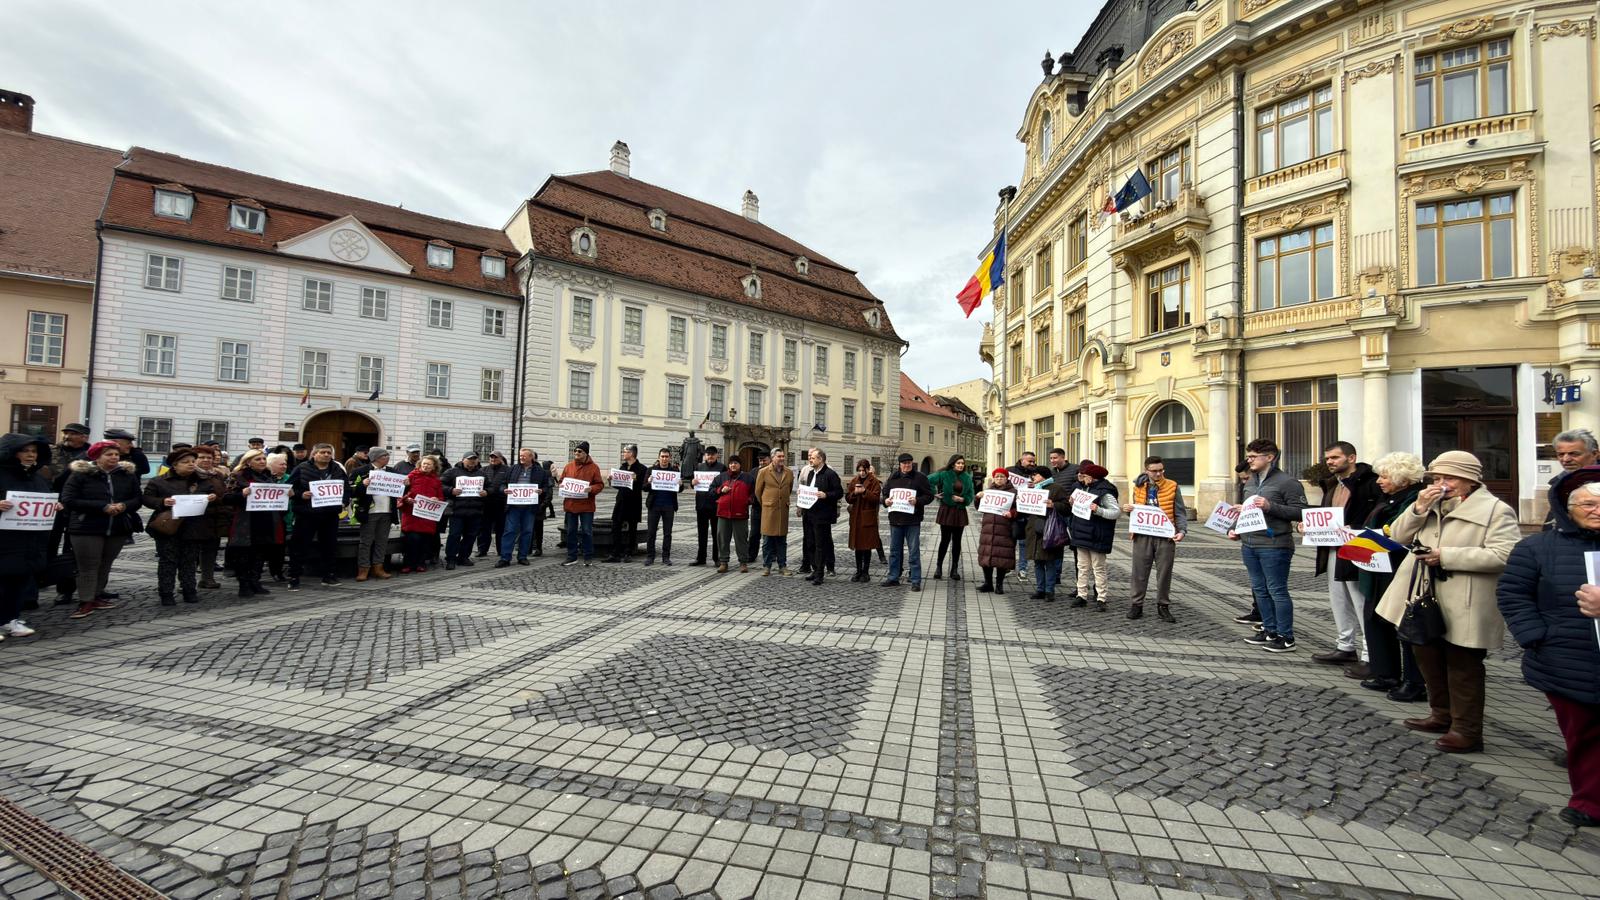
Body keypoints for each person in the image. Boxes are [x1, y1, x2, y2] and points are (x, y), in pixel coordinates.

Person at [1375, 451, 1515, 753]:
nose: (1441, 484)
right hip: (1424, 595)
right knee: (1427, 656)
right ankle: (1440, 714)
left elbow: (1505, 555)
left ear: (1470, 480)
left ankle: (1466, 730)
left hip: (1465, 598)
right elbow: (1396, 536)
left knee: (1463, 666)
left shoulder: (1495, 510)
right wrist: (1418, 508)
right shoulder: (1429, 503)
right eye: (1437, 478)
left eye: (1449, 478)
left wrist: (1447, 556)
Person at [1498, 466, 1600, 826]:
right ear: (1568, 509)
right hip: (1566, 659)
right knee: (1583, 734)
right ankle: (1589, 801)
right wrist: (1537, 637)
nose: (1597, 511)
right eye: (1588, 504)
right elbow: (1513, 595)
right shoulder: (1537, 547)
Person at [1357, 452, 1427, 699]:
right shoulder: (1390, 498)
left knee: (1405, 625)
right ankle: (1385, 673)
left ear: (1403, 479)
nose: (1379, 481)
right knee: (1376, 619)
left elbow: (1401, 533)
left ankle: (1413, 681)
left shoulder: (1414, 500)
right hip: (1379, 568)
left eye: (1384, 476)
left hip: (1401, 569)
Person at [1311, 442, 1385, 672]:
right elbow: (1327, 516)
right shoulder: (1333, 484)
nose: (1329, 462)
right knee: (1339, 599)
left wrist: (1355, 529)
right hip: (1333, 548)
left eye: (1335, 457)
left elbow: (1378, 515)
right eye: (1327, 458)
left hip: (1359, 547)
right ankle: (1345, 646)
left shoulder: (1370, 483)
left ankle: (1371, 655)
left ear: (1351, 458)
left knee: (1360, 600)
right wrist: (1310, 527)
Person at [1234, 439, 1308, 653]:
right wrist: (1234, 527)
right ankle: (1269, 630)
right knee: (1260, 590)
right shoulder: (1251, 481)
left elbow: (1301, 511)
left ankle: (1286, 637)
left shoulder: (1288, 482)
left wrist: (1270, 506)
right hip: (1249, 544)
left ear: (1270, 457)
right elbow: (1247, 510)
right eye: (1248, 456)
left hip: (1275, 545)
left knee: (1277, 590)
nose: (1249, 460)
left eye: (1253, 456)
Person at [60, 440, 142, 619]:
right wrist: (102, 507)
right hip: (86, 527)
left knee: (106, 563)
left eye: (116, 454)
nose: (114, 457)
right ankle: (85, 600)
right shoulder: (81, 474)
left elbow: (137, 499)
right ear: (97, 456)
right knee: (88, 565)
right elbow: (68, 499)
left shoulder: (127, 474)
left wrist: (124, 506)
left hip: (117, 526)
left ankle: (97, 595)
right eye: (108, 454)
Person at [142, 447, 221, 606]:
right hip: (169, 528)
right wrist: (162, 502)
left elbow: (215, 499)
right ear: (175, 465)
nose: (191, 464)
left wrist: (213, 498)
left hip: (194, 527)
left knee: (189, 561)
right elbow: (146, 499)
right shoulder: (159, 481)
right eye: (185, 462)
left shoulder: (202, 481)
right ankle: (166, 593)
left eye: (192, 461)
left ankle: (189, 590)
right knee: (168, 561)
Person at [0, 433, 56, 638]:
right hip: (4, 541)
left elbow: (43, 501)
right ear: (11, 452)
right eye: (24, 451)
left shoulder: (37, 477)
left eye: (34, 451)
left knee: (19, 582)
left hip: (29, 541)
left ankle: (9, 619)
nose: (31, 455)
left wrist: (53, 506)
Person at [1122, 456, 1187, 622]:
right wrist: (1129, 510)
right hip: (1142, 535)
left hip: (1165, 535)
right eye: (1154, 471)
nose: (1158, 474)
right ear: (1146, 471)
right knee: (1139, 572)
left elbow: (1180, 511)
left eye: (1161, 470)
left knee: (1164, 572)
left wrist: (1182, 531)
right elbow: (1136, 511)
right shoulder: (1138, 486)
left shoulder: (1172, 486)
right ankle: (1137, 605)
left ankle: (1163, 606)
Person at [225, 449, 284, 597]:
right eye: (258, 459)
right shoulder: (238, 476)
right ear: (248, 462)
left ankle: (255, 581)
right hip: (246, 521)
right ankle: (244, 584)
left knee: (260, 553)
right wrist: (242, 494)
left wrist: (286, 494)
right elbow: (226, 497)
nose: (262, 461)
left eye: (264, 459)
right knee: (245, 554)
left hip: (266, 520)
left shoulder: (269, 476)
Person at [287, 443, 346, 589]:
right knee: (300, 545)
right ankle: (294, 576)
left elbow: (346, 488)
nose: (326, 455)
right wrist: (301, 495)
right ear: (314, 454)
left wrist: (344, 502)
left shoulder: (337, 469)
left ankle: (329, 575)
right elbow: (289, 488)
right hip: (307, 514)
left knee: (329, 546)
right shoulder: (302, 468)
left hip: (330, 514)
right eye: (323, 452)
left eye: (329, 453)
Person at [1067, 461, 1119, 608]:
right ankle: (1081, 595)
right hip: (1081, 533)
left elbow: (1115, 512)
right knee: (1082, 567)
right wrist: (1072, 503)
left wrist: (1098, 510)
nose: (1081, 478)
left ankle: (1101, 598)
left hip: (1097, 535)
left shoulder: (1105, 492)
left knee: (1098, 568)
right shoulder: (1083, 488)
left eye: (1084, 476)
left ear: (1092, 477)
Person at [882, 453, 935, 591]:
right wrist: (885, 501)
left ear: (912, 463)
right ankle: (893, 577)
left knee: (913, 552)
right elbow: (885, 493)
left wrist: (917, 501)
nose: (907, 465)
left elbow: (929, 496)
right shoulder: (893, 477)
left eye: (909, 463)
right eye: (904, 463)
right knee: (894, 551)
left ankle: (915, 580)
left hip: (912, 520)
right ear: (900, 465)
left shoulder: (920, 477)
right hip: (895, 520)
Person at [1023, 468, 1070, 602]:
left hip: (1050, 530)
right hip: (1034, 529)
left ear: (1043, 476)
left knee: (1050, 562)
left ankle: (1049, 591)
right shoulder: (1032, 489)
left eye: (1035, 474)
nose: (1033, 477)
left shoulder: (1056, 488)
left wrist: (1053, 505)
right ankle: (1040, 589)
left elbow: (1067, 507)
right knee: (1037, 562)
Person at [349, 448, 396, 581]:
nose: (387, 458)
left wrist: (406, 485)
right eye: (384, 456)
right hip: (369, 512)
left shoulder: (392, 471)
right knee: (366, 541)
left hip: (387, 511)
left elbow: (400, 489)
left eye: (387, 455)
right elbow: (350, 490)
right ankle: (363, 568)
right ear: (376, 458)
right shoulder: (360, 471)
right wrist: (362, 485)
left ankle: (378, 567)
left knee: (382, 541)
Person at [498, 449, 549, 566]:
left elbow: (546, 487)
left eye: (524, 456)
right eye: (520, 456)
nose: (521, 458)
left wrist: (541, 491)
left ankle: (522, 556)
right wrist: (504, 490)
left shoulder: (540, 471)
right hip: (513, 506)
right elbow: (503, 484)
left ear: (531, 457)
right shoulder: (513, 469)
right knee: (509, 531)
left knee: (527, 532)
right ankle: (505, 558)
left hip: (529, 507)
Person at [800, 448, 843, 586]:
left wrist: (826, 495)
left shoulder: (830, 474)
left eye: (813, 458)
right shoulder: (811, 473)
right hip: (809, 513)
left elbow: (839, 492)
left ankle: (820, 573)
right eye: (810, 458)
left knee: (820, 545)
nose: (810, 460)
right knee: (810, 543)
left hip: (822, 515)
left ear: (821, 459)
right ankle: (815, 569)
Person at [928, 454, 974, 581]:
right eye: (958, 463)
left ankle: (954, 569)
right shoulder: (944, 474)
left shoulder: (967, 477)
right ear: (953, 464)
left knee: (957, 542)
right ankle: (939, 567)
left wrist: (963, 499)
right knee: (945, 540)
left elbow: (971, 494)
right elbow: (928, 480)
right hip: (947, 510)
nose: (961, 465)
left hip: (960, 511)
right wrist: (934, 494)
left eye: (962, 463)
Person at [559, 441, 605, 567]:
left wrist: (591, 489)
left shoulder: (594, 467)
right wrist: (561, 485)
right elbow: (562, 481)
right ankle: (571, 556)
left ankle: (588, 556)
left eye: (579, 451)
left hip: (586, 506)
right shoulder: (568, 466)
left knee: (587, 532)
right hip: (571, 505)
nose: (576, 453)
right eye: (575, 451)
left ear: (586, 453)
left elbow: (600, 484)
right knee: (571, 532)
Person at [975, 467, 1017, 594]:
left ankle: (999, 584)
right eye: (997, 477)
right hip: (988, 528)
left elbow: (1019, 509)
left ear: (1006, 478)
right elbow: (979, 507)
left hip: (1004, 528)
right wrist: (978, 498)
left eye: (1002, 477)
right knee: (986, 556)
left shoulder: (1013, 492)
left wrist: (1012, 513)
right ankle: (988, 583)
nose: (999, 479)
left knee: (1002, 557)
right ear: (993, 478)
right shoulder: (988, 491)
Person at [441, 451, 486, 570]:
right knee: (454, 535)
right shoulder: (452, 472)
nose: (472, 462)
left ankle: (463, 557)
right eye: (469, 460)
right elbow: (440, 484)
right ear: (463, 460)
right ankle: (451, 558)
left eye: (474, 460)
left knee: (470, 536)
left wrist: (487, 492)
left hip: (475, 511)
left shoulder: (481, 474)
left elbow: (490, 487)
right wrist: (451, 490)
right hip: (457, 510)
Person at [398, 457, 444, 573]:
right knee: (411, 540)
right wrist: (407, 499)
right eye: (424, 463)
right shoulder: (411, 477)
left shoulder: (437, 481)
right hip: (411, 514)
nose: (426, 466)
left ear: (434, 467)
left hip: (427, 516)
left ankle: (421, 563)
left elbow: (441, 497)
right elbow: (401, 493)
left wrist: (437, 499)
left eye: (429, 464)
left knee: (425, 541)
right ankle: (408, 564)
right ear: (420, 464)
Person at [606, 445, 650, 563]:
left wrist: (636, 480)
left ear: (631, 453)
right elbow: (619, 485)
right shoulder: (623, 467)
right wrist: (611, 481)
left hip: (633, 502)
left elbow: (643, 486)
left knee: (632, 528)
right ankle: (616, 552)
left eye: (625, 452)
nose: (623, 454)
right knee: (616, 526)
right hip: (621, 501)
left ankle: (629, 552)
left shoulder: (642, 469)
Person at [193, 445, 229, 588]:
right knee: (191, 551)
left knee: (210, 549)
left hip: (215, 517)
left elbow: (223, 493)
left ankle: (207, 578)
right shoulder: (190, 474)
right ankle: (187, 580)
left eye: (209, 457)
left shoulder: (217, 475)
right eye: (201, 457)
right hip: (195, 518)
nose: (206, 460)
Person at [754, 449, 794, 576]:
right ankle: (767, 566)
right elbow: (758, 491)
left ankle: (783, 566)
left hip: (783, 511)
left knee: (782, 540)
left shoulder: (789, 472)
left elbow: (789, 488)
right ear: (772, 458)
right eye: (779, 456)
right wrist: (767, 503)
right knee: (767, 540)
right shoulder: (763, 472)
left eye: (783, 456)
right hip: (769, 510)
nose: (782, 458)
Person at [1547, 429, 1599, 528]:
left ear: (1595, 454)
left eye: (1574, 454)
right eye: (1561, 454)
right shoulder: (1559, 484)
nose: (1566, 459)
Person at [712, 457, 754, 573]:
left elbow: (754, 493)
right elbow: (712, 490)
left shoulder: (748, 478)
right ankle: (723, 562)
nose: (733, 465)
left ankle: (743, 562)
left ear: (740, 465)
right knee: (722, 539)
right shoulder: (721, 477)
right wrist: (721, 490)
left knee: (741, 540)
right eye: (731, 463)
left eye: (735, 463)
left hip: (740, 514)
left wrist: (748, 500)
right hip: (723, 513)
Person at [845, 458, 882, 582]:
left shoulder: (874, 481)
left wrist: (865, 491)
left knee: (867, 546)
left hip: (867, 517)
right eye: (859, 470)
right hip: (856, 518)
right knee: (858, 546)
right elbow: (848, 498)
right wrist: (855, 493)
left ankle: (865, 572)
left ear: (867, 469)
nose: (861, 473)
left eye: (863, 470)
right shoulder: (854, 480)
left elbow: (876, 498)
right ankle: (858, 571)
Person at [644, 448, 680, 566]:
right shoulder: (651, 470)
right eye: (662, 456)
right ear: (659, 457)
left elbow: (679, 489)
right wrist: (649, 482)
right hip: (654, 505)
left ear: (670, 458)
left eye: (666, 456)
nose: (664, 459)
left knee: (667, 533)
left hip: (669, 505)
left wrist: (680, 485)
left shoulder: (674, 471)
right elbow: (644, 487)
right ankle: (650, 556)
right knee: (651, 532)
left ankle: (666, 557)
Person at [691, 446, 726, 566]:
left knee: (716, 533)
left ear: (717, 455)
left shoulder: (722, 468)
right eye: (708, 454)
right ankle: (701, 558)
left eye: (712, 454)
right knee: (702, 533)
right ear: (705, 456)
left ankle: (717, 558)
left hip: (716, 505)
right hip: (701, 505)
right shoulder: (699, 467)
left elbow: (725, 482)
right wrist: (692, 483)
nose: (710, 456)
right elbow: (693, 482)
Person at [1008, 451, 1039, 577]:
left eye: (1033, 461)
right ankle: (1008, 567)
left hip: (1028, 512)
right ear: (1022, 460)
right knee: (1010, 541)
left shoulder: (1036, 473)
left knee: (1024, 543)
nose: (1032, 463)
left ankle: (1022, 569)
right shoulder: (1010, 471)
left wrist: (1036, 485)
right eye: (1030, 461)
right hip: (1013, 511)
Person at [477, 450, 510, 559]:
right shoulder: (483, 470)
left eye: (495, 457)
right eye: (491, 457)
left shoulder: (507, 470)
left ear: (501, 458)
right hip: (486, 503)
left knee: (501, 529)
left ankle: (501, 550)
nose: (493, 459)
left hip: (501, 503)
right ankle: (482, 550)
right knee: (484, 529)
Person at [746, 448, 770, 564]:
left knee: (769, 533)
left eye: (764, 460)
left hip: (770, 507)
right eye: (760, 460)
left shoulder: (774, 471)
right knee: (754, 533)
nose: (762, 462)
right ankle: (751, 554)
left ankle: (771, 554)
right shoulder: (754, 471)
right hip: (756, 507)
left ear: (769, 460)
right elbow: (748, 486)